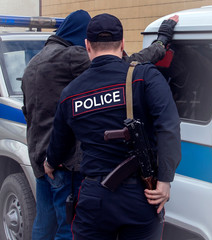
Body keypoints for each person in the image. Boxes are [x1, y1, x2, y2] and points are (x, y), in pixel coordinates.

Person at [21, 9, 178, 240]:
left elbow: (57, 136)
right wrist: (165, 180)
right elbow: (169, 126)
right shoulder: (143, 77)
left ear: (87, 45)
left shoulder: (65, 87)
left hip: (87, 189)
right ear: (122, 42)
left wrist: (50, 161)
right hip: (139, 192)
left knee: (44, 225)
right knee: (60, 227)